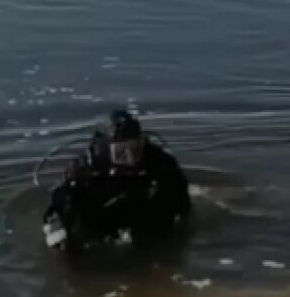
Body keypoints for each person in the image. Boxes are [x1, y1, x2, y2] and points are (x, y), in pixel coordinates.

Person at [42, 109, 193, 257]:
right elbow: (59, 205)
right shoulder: (84, 168)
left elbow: (180, 196)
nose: (130, 158)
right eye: (121, 152)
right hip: (98, 214)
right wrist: (59, 232)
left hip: (138, 211)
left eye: (135, 149)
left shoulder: (157, 159)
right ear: (106, 148)